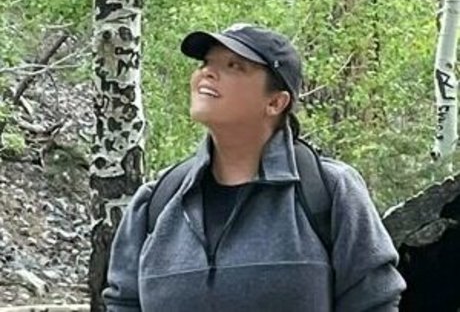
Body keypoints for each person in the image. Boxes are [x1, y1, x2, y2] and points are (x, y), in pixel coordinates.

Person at [103, 23, 406, 311]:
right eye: (206, 63)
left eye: (234, 66)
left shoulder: (330, 191)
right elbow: (123, 303)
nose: (208, 72)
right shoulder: (157, 202)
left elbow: (374, 302)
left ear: (275, 102)